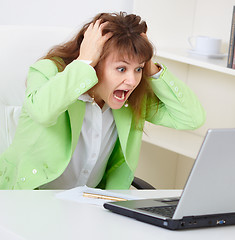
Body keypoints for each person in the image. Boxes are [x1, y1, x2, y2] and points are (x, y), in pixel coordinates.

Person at [0, 12, 205, 190]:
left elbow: (191, 118)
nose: (132, 80)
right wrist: (84, 61)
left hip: (92, 206)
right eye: (122, 69)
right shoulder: (48, 72)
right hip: (32, 198)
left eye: (138, 69)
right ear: (95, 61)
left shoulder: (131, 100)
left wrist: (149, 66)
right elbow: (41, 113)